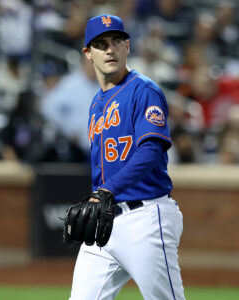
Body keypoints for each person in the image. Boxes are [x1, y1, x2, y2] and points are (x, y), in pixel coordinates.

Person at [68, 14, 185, 300]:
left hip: (145, 217)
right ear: (88, 53)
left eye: (116, 41)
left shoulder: (143, 90)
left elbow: (150, 151)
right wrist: (102, 194)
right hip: (106, 221)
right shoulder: (96, 103)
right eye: (100, 44)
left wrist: (107, 189)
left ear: (127, 47)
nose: (110, 49)